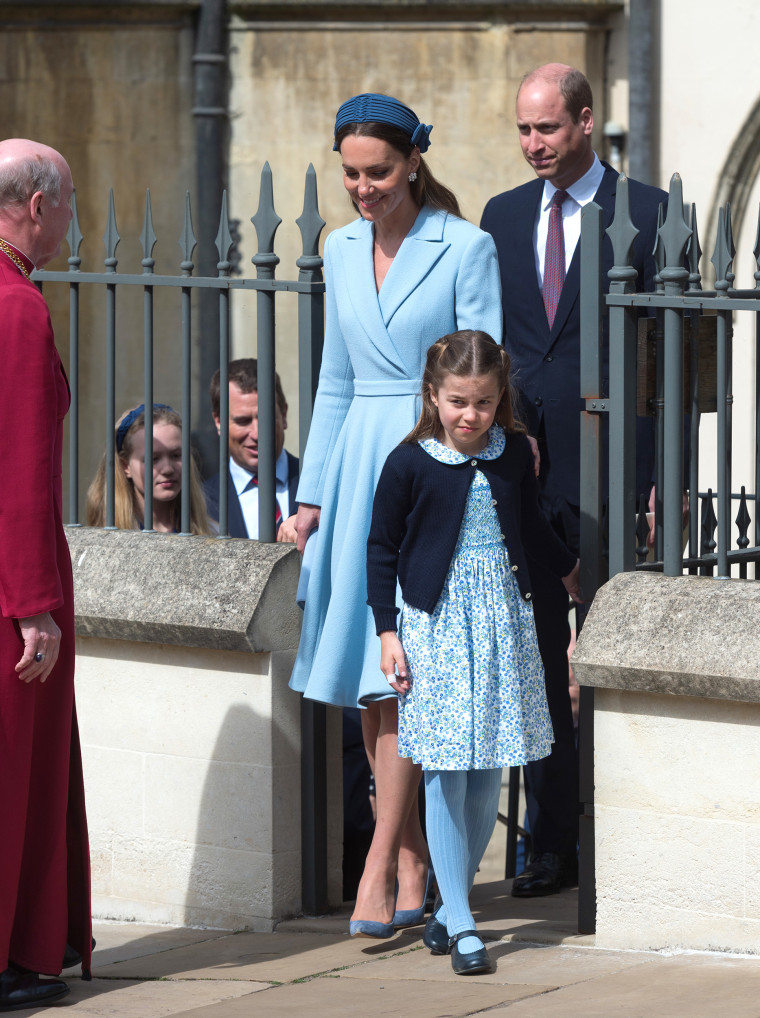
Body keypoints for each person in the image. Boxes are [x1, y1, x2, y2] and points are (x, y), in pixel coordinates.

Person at [289, 93, 503, 936]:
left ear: (414, 161)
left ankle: (379, 867)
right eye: (349, 173)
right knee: (377, 689)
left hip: (429, 468)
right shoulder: (338, 249)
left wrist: (456, 476)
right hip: (351, 475)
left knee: (410, 682)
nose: (362, 188)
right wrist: (310, 501)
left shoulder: (467, 246)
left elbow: (481, 385)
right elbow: (336, 380)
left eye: (378, 171)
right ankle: (411, 862)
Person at [480, 64, 667, 897]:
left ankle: (624, 833)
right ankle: (554, 840)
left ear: (586, 122)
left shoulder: (650, 214)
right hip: (530, 469)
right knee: (536, 658)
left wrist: (662, 475)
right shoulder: (503, 215)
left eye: (547, 130)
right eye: (523, 130)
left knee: (610, 654)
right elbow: (499, 344)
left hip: (615, 466)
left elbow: (669, 357)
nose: (532, 146)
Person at [366, 331, 580, 973]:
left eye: (484, 402)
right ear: (433, 396)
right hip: (436, 628)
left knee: (490, 771)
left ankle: (447, 903)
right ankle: (461, 921)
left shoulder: (513, 453)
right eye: (458, 401)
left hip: (502, 625)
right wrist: (387, 631)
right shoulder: (408, 463)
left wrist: (572, 573)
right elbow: (381, 549)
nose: (470, 415)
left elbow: (531, 527)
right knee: (445, 770)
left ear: (499, 399)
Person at [0, 138, 92, 1011]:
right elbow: (22, 474)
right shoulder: (18, 309)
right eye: (67, 203)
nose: (71, 219)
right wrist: (33, 607)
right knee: (16, 775)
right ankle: (14, 954)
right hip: (10, 585)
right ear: (35, 205)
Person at [204, 359, 298, 542]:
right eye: (242, 421)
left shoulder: (321, 486)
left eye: (266, 418)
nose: (257, 434)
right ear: (219, 422)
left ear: (284, 415)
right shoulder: (200, 502)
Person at [86, 403, 213, 535]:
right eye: (153, 459)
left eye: (176, 455)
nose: (168, 469)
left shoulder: (211, 532)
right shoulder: (103, 535)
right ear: (126, 466)